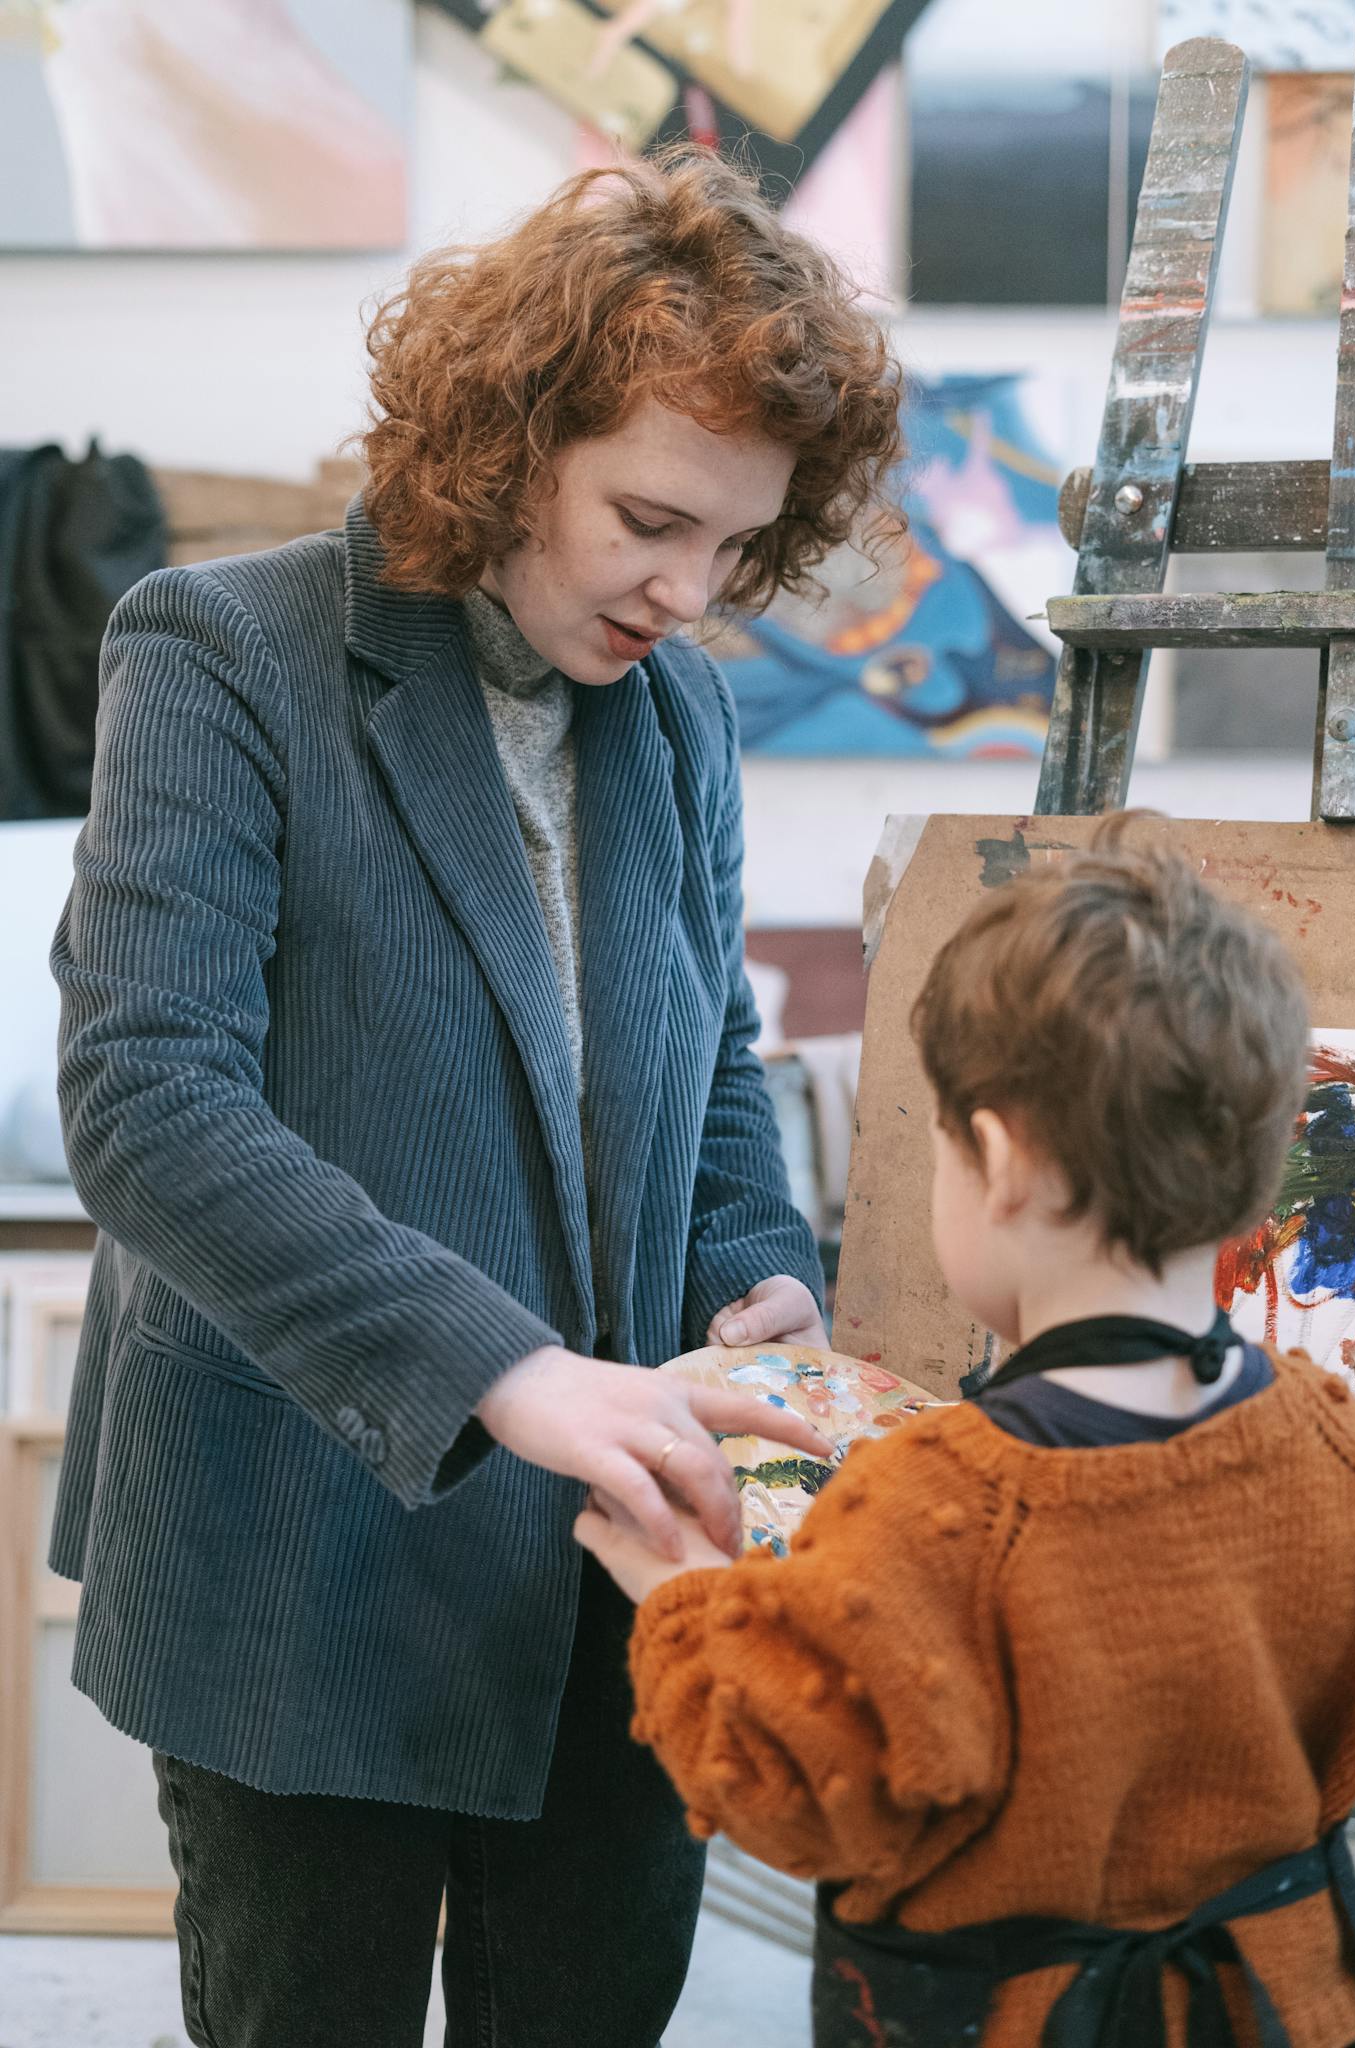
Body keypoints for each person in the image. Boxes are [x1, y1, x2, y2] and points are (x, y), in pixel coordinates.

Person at [46, 149, 902, 2048]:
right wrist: (510, 1372)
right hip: (303, 1544)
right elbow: (147, 1104)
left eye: (737, 546)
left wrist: (759, 1271)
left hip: (613, 1563)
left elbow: (711, 1069)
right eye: (649, 521)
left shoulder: (675, 711)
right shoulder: (224, 648)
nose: (690, 592)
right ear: (508, 442)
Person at [578, 818, 1355, 2048]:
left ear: (993, 1158)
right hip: (1274, 2006)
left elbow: (802, 1797)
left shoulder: (937, 1500)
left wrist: (682, 1599)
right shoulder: (1332, 1445)